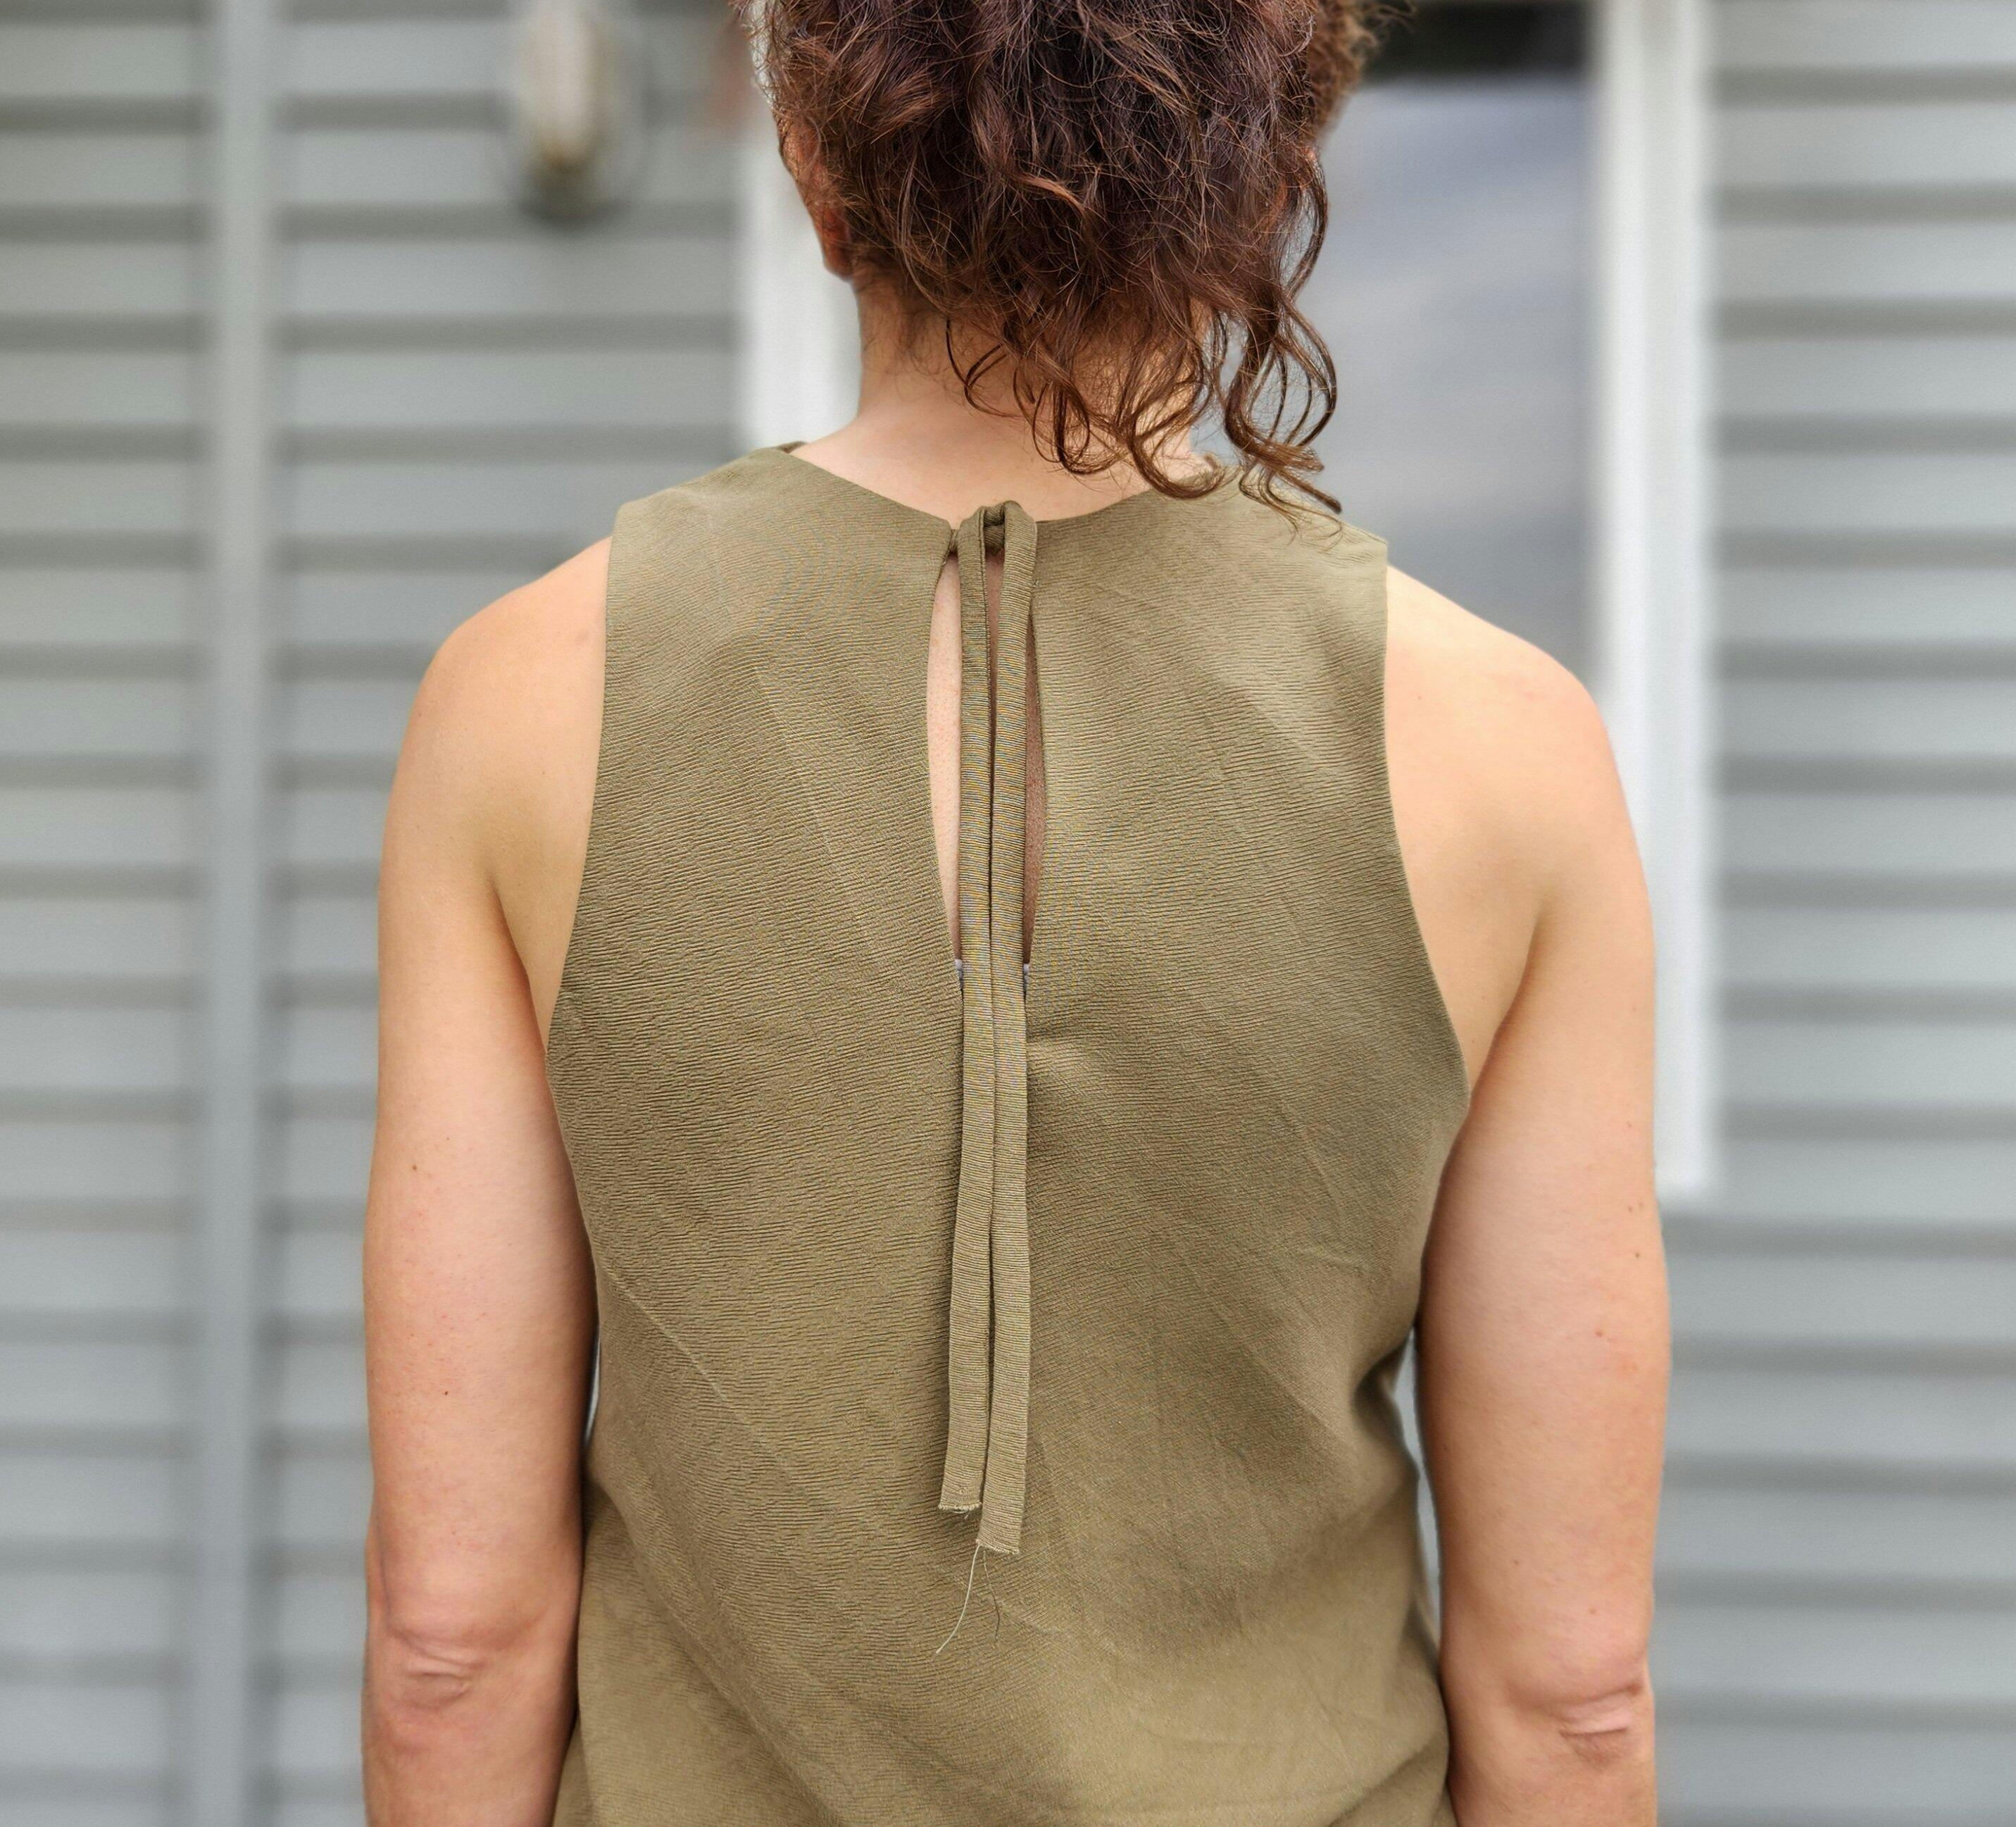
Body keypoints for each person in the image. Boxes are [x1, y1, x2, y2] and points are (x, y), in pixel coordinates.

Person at [359, 2, 1669, 1822]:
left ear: (815, 165)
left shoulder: (521, 701)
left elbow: (455, 1642)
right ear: (1270, 158)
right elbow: (1572, 1693)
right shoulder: (1509, 752)